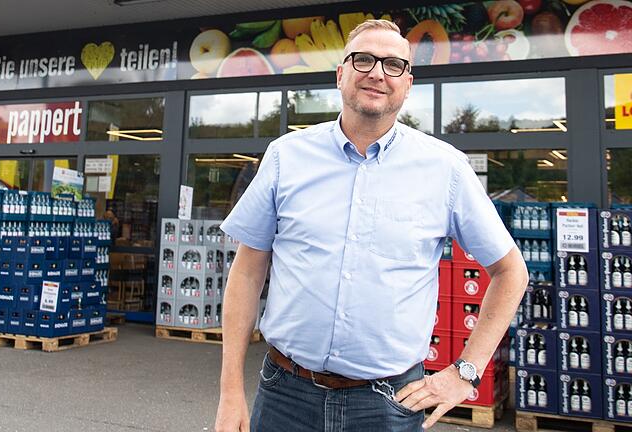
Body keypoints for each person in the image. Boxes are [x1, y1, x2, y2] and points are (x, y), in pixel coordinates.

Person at [215, 19, 528, 432]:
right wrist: (230, 391)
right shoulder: (285, 157)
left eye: (394, 64)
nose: (378, 73)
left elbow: (511, 272)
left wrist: (464, 373)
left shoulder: (445, 168)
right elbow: (248, 270)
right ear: (341, 73)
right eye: (364, 59)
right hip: (284, 395)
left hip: (387, 405)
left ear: (408, 83)